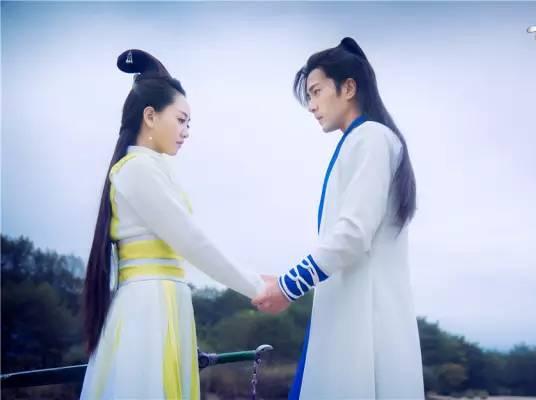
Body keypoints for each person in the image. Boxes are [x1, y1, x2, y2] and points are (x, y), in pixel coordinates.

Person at [80, 49, 264, 399]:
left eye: (188, 124)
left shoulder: (152, 170)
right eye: (181, 120)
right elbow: (192, 241)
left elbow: (191, 239)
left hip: (164, 303)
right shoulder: (136, 170)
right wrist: (256, 286)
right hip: (148, 309)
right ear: (150, 116)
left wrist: (259, 280)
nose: (186, 132)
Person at [252, 37, 425, 399]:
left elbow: (353, 234)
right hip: (350, 311)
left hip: (364, 319)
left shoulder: (371, 138)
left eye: (316, 92)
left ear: (348, 88)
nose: (312, 105)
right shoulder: (364, 140)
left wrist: (287, 286)